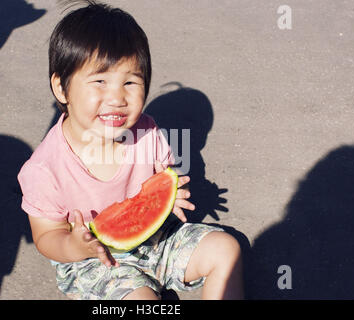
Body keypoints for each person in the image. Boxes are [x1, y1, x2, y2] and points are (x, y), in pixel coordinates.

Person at [17, 1, 244, 300]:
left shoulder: (148, 133)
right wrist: (74, 245)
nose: (117, 97)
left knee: (227, 250)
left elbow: (162, 178)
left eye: (130, 82)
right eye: (99, 81)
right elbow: (45, 236)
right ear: (61, 88)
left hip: (157, 239)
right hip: (93, 260)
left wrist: (171, 194)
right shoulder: (44, 169)